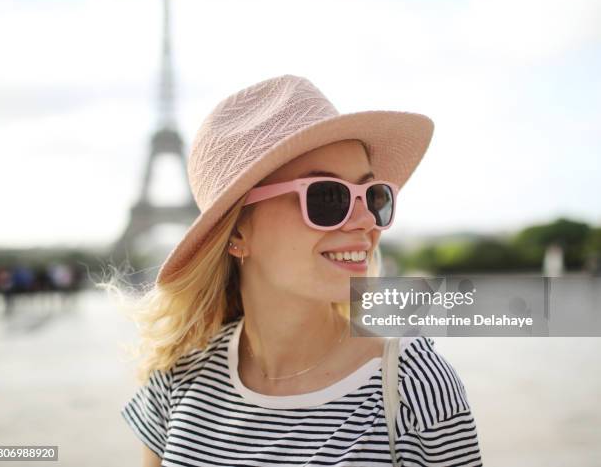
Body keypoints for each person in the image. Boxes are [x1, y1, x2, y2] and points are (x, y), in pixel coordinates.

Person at [105, 74, 483, 466]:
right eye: (327, 197)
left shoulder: (414, 385)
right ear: (236, 231)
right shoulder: (177, 377)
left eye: (374, 196)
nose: (365, 220)